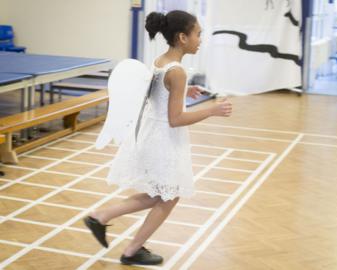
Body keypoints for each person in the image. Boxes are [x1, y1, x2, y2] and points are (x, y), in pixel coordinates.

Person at [83, 10, 232, 266]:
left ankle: (107, 222)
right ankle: (127, 245)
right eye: (198, 34)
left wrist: (185, 91)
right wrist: (212, 111)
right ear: (182, 37)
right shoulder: (178, 72)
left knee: (160, 195)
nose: (200, 39)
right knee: (168, 196)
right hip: (164, 139)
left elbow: (160, 96)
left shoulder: (161, 61)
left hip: (153, 135)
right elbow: (175, 119)